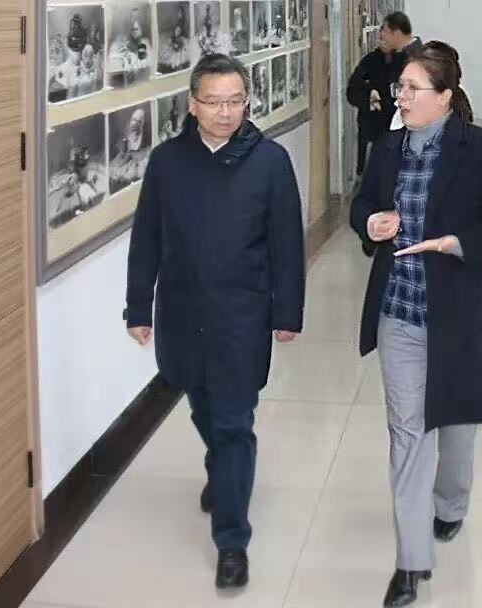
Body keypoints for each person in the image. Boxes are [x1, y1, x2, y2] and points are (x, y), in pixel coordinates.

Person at [125, 53, 305, 590]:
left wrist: (287, 312)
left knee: (232, 423)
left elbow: (287, 246)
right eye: (214, 102)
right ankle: (224, 472)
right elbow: (147, 237)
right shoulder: (167, 163)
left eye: (235, 101)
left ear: (247, 102)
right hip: (183, 314)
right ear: (192, 105)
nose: (226, 112)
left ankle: (232, 540)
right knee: (203, 409)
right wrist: (138, 307)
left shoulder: (269, 162)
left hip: (241, 317)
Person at [351, 41, 482, 608]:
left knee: (457, 429)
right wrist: (371, 223)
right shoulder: (387, 147)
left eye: (412, 88)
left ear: (445, 97)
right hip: (400, 312)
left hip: (461, 315)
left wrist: (457, 243)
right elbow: (361, 205)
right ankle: (411, 562)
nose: (400, 96)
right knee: (408, 433)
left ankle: (451, 504)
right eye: (399, 87)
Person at [346, 11, 422, 177]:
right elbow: (353, 89)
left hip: (405, 144)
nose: (380, 36)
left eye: (385, 32)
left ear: (397, 34)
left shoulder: (419, 61)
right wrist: (369, 95)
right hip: (373, 138)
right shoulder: (373, 60)